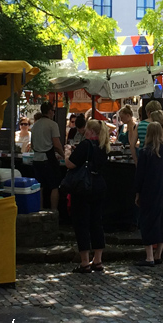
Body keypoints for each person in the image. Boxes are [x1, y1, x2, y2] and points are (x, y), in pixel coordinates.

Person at [65, 119, 109, 273]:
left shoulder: (85, 145)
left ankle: (85, 261)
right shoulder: (103, 146)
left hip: (84, 187)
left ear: (90, 131)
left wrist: (67, 153)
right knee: (97, 222)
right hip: (99, 185)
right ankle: (98, 259)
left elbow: (70, 164)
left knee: (82, 223)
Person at [135, 121, 163, 267]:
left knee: (147, 221)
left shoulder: (145, 152)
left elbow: (140, 175)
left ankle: (149, 256)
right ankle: (158, 255)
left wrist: (137, 192)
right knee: (161, 220)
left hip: (149, 190)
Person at [30, 102, 64, 213]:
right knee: (54, 186)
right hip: (48, 159)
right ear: (50, 111)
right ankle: (54, 212)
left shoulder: (35, 125)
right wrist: (65, 156)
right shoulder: (52, 124)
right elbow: (57, 145)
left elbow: (33, 145)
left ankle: (39, 210)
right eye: (53, 111)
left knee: (40, 186)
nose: (54, 113)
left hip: (36, 159)